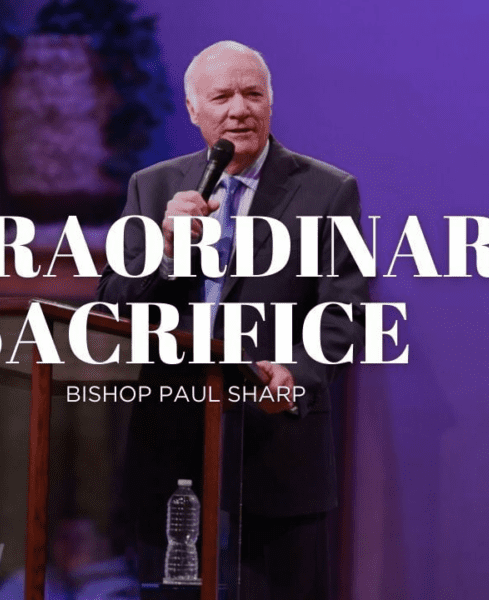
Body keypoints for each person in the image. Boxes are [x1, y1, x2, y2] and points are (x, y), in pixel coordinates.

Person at [97, 40, 369, 600]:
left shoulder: (327, 191)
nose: (240, 109)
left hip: (277, 450)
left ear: (271, 101)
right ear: (193, 110)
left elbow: (344, 314)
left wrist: (296, 373)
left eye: (253, 94)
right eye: (222, 97)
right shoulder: (154, 188)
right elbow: (113, 304)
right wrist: (165, 251)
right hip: (173, 448)